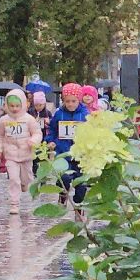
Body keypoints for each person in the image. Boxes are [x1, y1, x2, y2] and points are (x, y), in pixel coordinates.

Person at [46, 83, 93, 215]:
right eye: (67, 101)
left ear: (79, 100)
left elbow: (91, 133)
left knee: (81, 184)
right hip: (63, 153)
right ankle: (62, 195)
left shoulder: (85, 115)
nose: (70, 104)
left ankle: (79, 205)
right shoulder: (59, 114)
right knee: (64, 178)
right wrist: (51, 141)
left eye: (73, 101)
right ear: (63, 101)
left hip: (80, 155)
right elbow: (52, 130)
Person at [0, 90, 41, 216]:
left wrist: (33, 140)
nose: (14, 109)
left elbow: (37, 133)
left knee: (27, 177)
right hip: (10, 155)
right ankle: (14, 203)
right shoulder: (3, 120)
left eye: (17, 106)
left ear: (23, 105)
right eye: (11, 106)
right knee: (14, 179)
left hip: (26, 154)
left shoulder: (29, 119)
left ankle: (25, 184)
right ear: (7, 106)